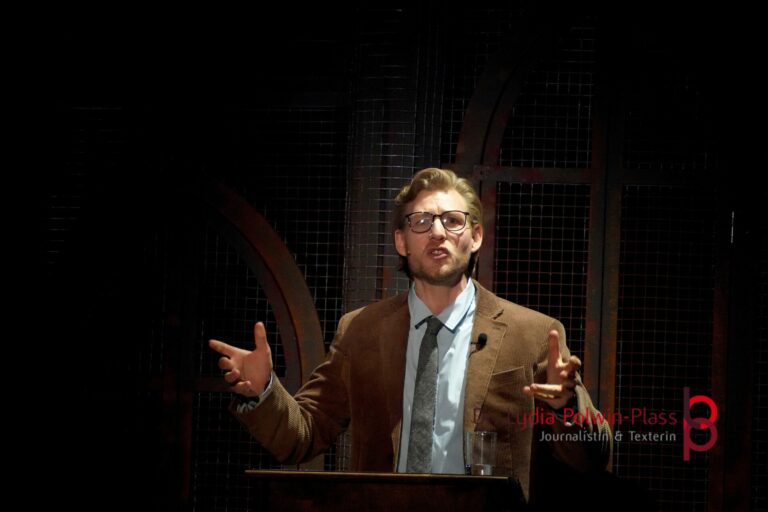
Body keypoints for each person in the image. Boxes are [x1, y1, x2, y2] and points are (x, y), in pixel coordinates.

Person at [209, 168, 611, 503]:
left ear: (475, 237)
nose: (437, 232)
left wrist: (566, 407)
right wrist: (263, 391)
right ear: (401, 241)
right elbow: (304, 434)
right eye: (421, 221)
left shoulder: (534, 334)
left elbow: (592, 460)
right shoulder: (360, 330)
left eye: (452, 220)